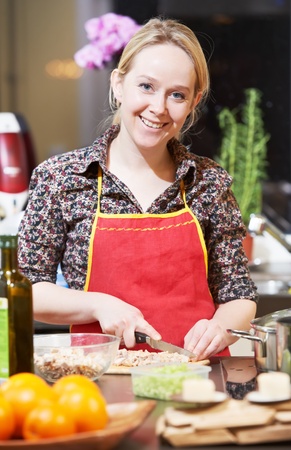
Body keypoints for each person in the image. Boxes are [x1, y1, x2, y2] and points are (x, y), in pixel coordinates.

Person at [18, 16, 258, 360]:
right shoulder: (62, 178)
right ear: (118, 84)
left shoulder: (208, 182)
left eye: (177, 95)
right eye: (146, 86)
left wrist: (221, 326)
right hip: (98, 384)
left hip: (195, 381)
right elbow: (28, 291)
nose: (158, 108)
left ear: (194, 102)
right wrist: (99, 305)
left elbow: (238, 294)